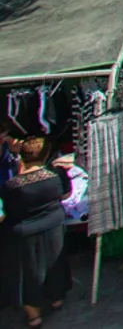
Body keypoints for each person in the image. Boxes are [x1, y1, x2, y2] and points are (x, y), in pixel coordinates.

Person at [0, 138, 72, 327]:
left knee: (28, 272)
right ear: (45, 155)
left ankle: (34, 315)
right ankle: (56, 298)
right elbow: (65, 195)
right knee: (54, 262)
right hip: (53, 224)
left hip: (23, 232)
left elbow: (7, 209)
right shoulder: (56, 175)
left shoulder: (12, 185)